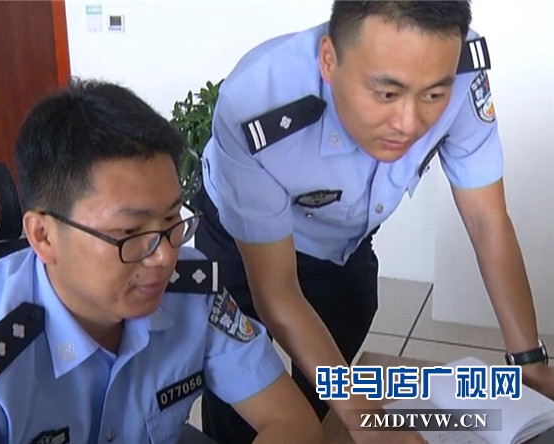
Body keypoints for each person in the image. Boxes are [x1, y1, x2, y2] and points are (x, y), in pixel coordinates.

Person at [193, 1, 554, 443]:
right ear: (330, 60)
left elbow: (486, 219)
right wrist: (367, 421)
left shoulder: (455, 64)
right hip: (240, 242)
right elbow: (277, 291)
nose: (409, 124)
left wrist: (528, 360)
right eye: (386, 94)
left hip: (340, 242)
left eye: (433, 96)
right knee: (244, 400)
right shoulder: (258, 104)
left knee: (329, 384)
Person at [0, 79, 324, 444]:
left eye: (171, 219)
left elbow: (292, 421)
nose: (164, 256)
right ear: (43, 236)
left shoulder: (192, 293)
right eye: (129, 232)